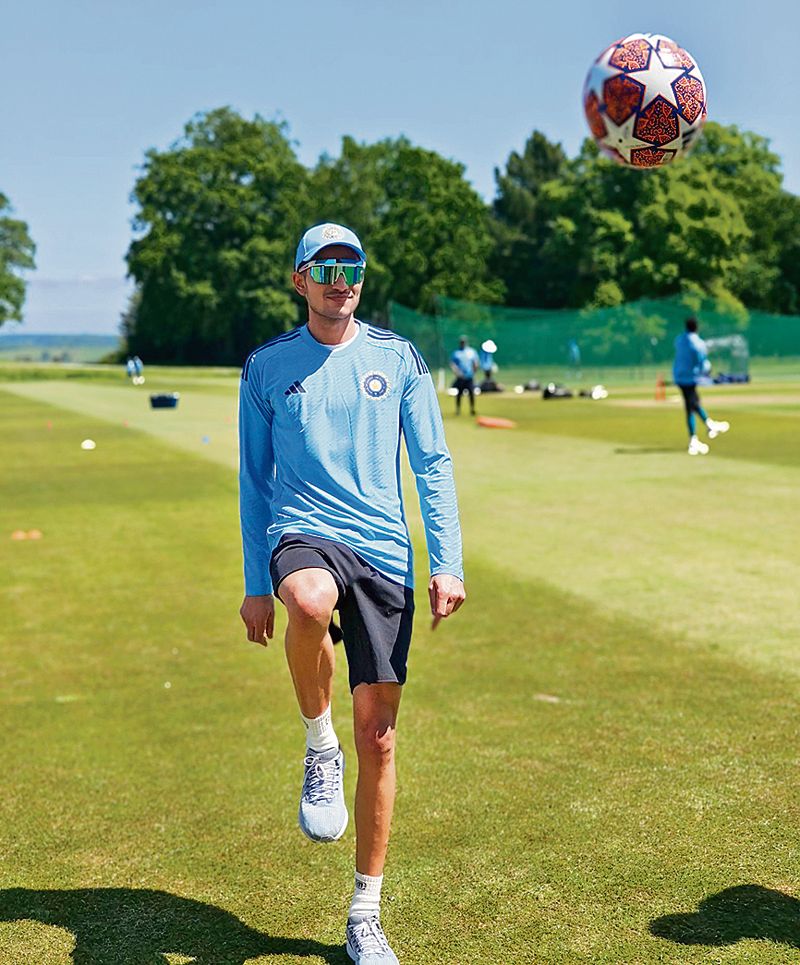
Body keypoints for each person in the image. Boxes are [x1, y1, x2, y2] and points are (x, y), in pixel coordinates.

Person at [238, 222, 466, 964]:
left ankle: (365, 912)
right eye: (325, 267)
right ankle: (318, 744)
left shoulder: (398, 358)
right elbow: (254, 479)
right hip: (303, 531)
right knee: (308, 600)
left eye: (352, 267)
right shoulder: (266, 366)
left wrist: (447, 561)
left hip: (384, 553)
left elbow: (432, 462)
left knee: (381, 737)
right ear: (300, 279)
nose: (341, 280)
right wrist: (256, 584)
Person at [673, 317, 730, 455]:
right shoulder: (698, 343)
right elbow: (702, 362)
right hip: (689, 378)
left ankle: (707, 427)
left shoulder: (679, 340)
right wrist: (707, 370)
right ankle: (699, 434)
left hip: (679, 376)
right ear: (697, 327)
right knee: (692, 406)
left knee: (692, 405)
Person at [449, 335, 479, 415]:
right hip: (460, 377)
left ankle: (472, 409)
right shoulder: (456, 353)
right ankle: (458, 410)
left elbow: (475, 362)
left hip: (469, 376)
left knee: (471, 393)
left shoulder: (471, 352)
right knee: (459, 394)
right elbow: (453, 364)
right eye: (461, 342)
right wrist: (457, 372)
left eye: (464, 342)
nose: (462, 343)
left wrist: (474, 371)